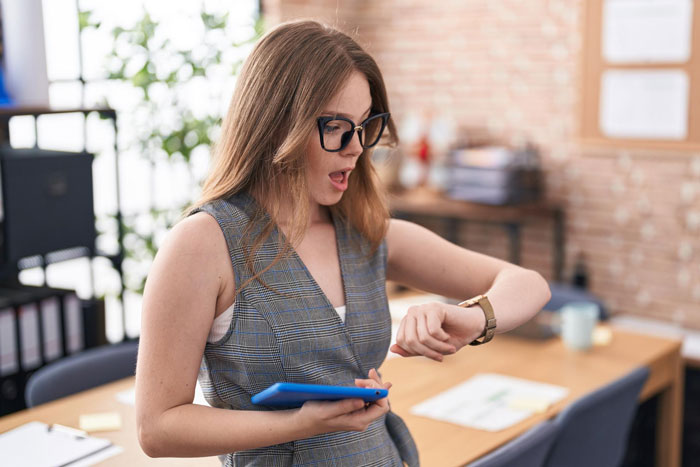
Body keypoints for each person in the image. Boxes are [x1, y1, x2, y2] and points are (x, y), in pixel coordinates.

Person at [135, 20, 551, 466]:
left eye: (364, 126)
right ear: (278, 124)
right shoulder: (203, 244)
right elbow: (157, 428)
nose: (356, 149)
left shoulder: (365, 235)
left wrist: (468, 318)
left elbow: (529, 285)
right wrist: (299, 423)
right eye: (337, 127)